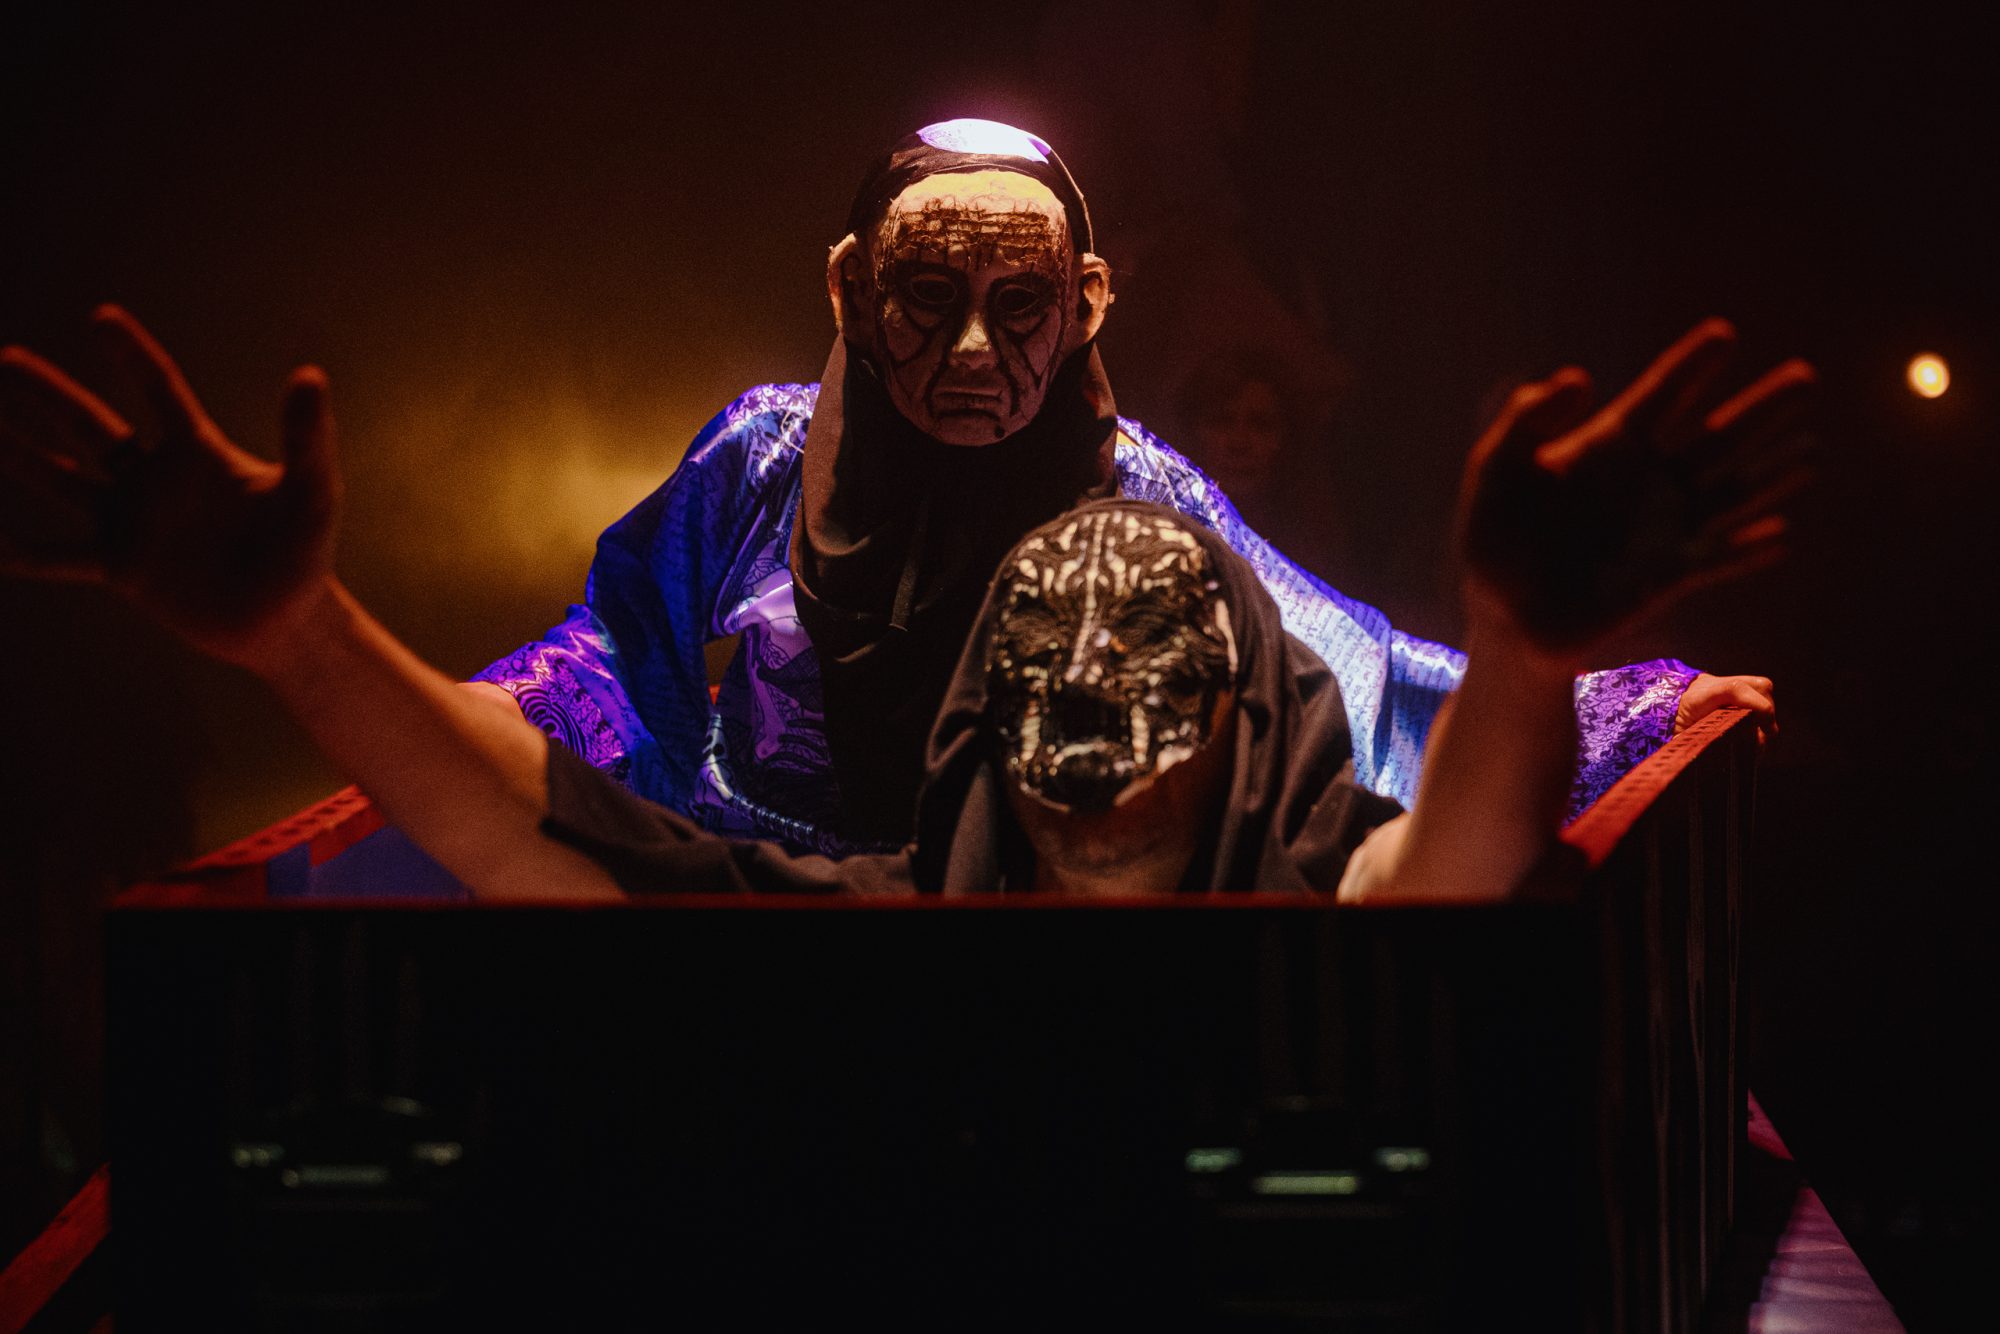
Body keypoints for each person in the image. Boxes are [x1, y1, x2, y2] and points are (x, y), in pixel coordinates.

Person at [0, 308, 1809, 903]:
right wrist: (299, 629)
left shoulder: (1308, 895)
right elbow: (521, 815)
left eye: (1148, 653)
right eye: (1044, 661)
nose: (1091, 687)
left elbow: (1455, 866)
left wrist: (1530, 653)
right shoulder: (873, 912)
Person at [459, 117, 1778, 859]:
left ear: (1088, 303)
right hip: (760, 934)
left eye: (1020, 304)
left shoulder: (1139, 498)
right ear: (852, 288)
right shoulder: (759, 458)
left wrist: (1618, 705)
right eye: (929, 297)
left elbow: (1357, 681)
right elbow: (614, 649)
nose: (973, 353)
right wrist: (489, 716)